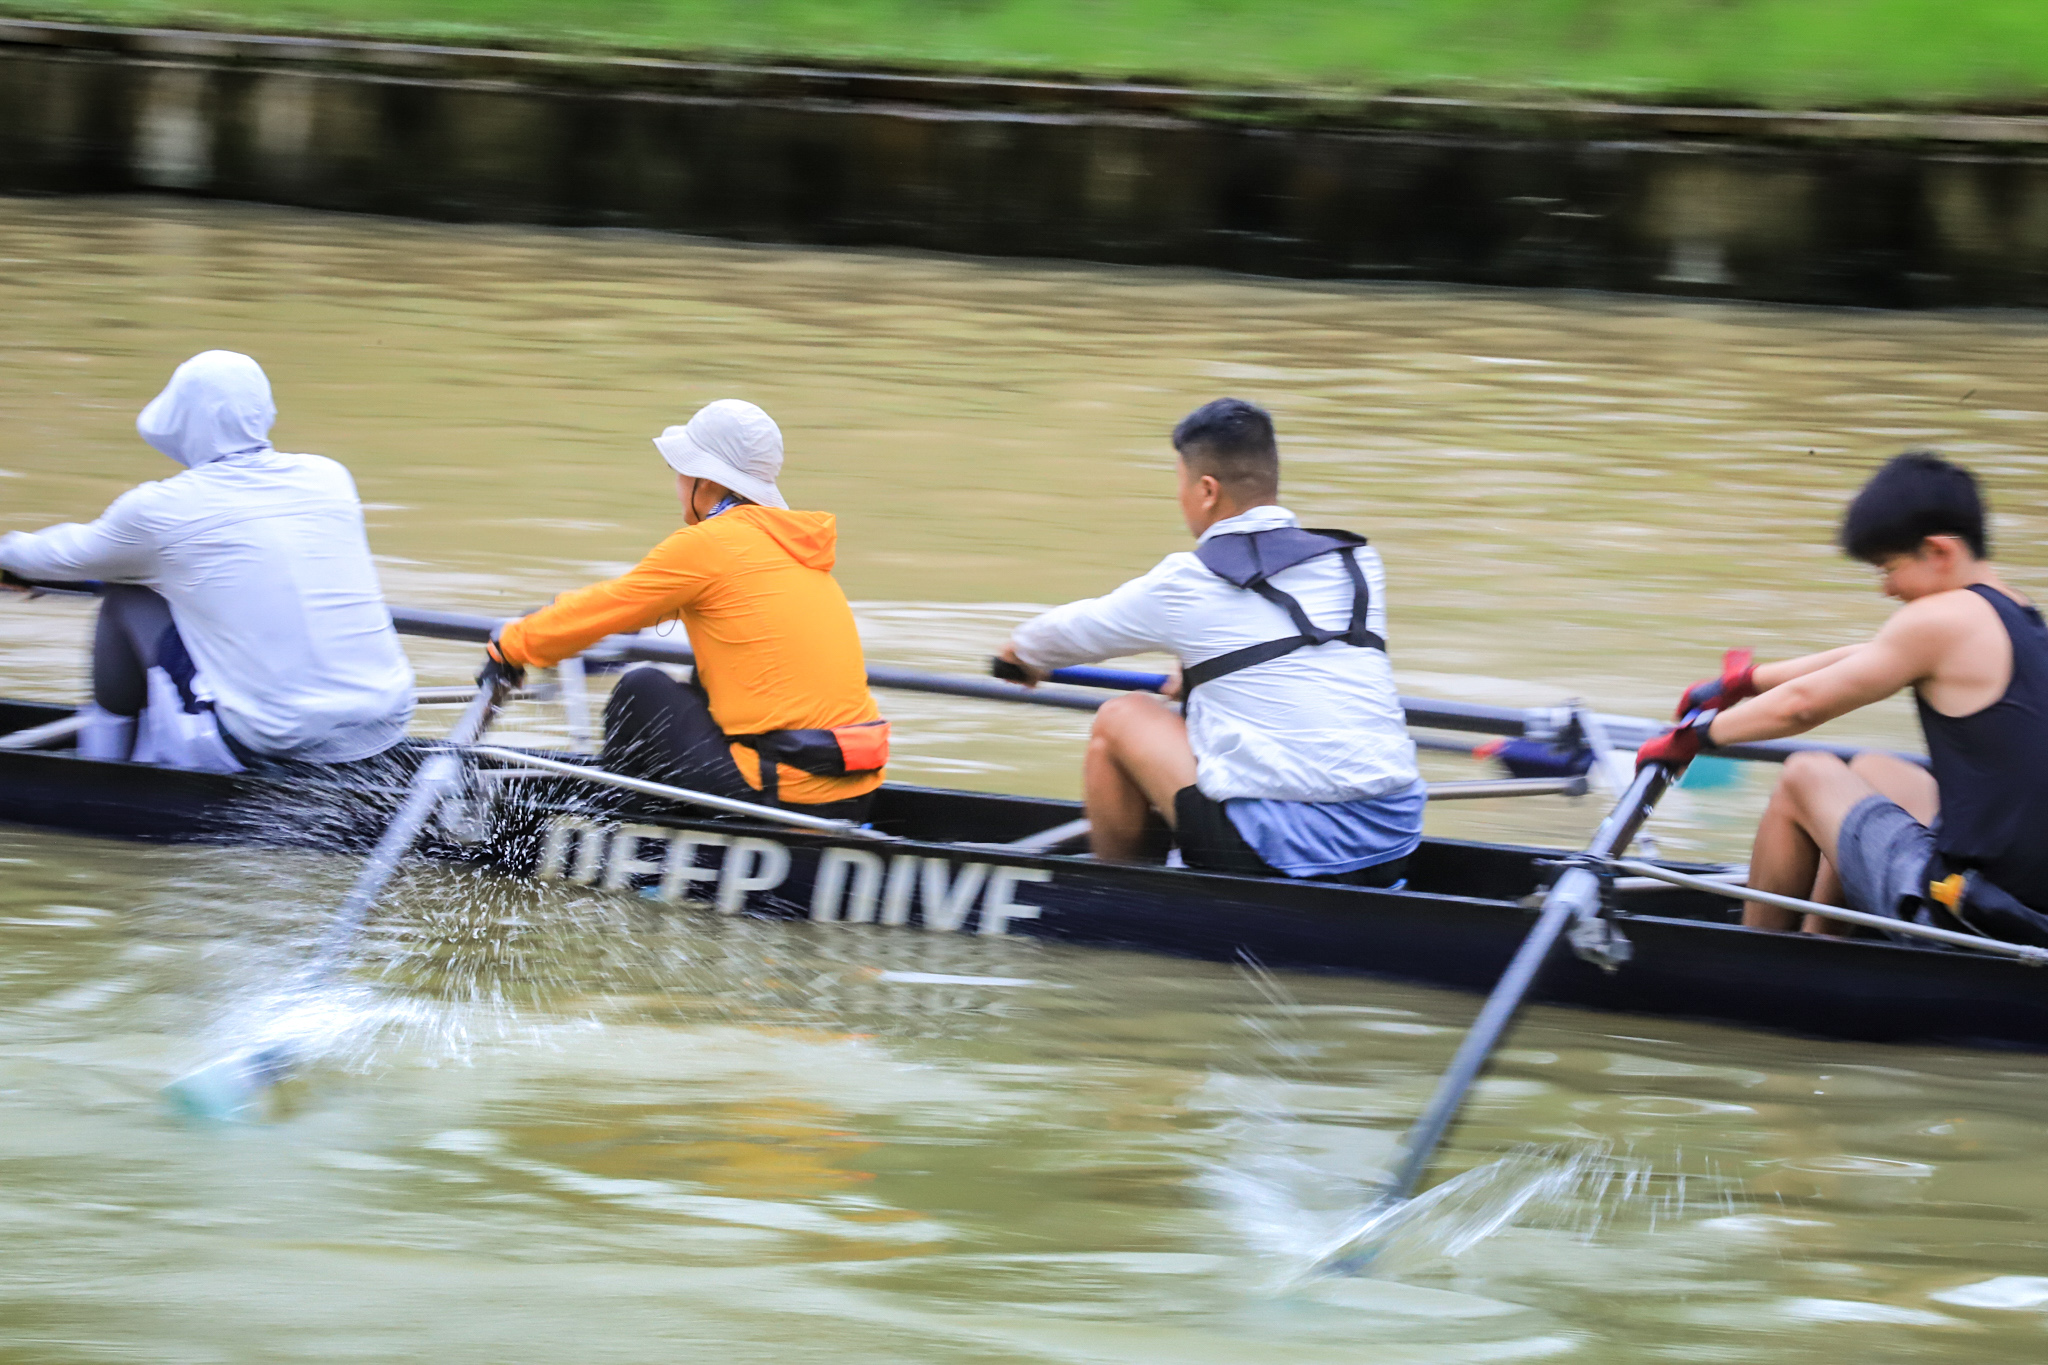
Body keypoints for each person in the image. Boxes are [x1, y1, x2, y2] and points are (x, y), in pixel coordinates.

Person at [997, 397, 1422, 883]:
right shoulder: (1358, 564)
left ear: (1206, 490)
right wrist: (1199, 671)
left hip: (1283, 852)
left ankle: (1113, 896)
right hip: (1394, 839)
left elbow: (1057, 637)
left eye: (1179, 483)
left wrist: (1018, 656)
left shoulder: (1186, 582)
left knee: (1119, 718)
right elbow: (1291, 657)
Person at [1638, 450, 2048, 941]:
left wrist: (1692, 738)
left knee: (1804, 775)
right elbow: (1868, 657)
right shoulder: (2018, 614)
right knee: (1873, 771)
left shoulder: (1939, 619)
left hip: (1971, 914)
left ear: (1939, 552)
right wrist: (1743, 682)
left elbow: (1802, 706)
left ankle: (1754, 964)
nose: (1886, 589)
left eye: (1888, 567)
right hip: (2020, 902)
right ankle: (1823, 941)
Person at [0, 350, 413, 773]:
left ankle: (100, 766)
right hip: (384, 721)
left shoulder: (161, 509)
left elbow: (53, 557)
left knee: (127, 596)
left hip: (270, 741)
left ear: (183, 420)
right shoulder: (329, 477)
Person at [487, 399, 886, 820]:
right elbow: (626, 610)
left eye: (680, 469)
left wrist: (508, 648)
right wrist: (550, 624)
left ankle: (620, 833)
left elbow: (610, 607)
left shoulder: (709, 546)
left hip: (787, 793)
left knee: (640, 690)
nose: (677, 482)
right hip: (853, 794)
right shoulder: (789, 546)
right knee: (698, 685)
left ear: (704, 480)